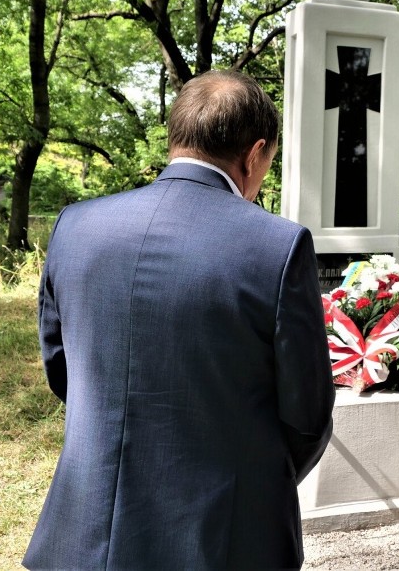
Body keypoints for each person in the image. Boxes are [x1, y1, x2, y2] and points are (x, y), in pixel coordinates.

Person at [23, 70, 335, 570]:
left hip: (86, 530)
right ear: (254, 155)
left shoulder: (76, 225)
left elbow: (62, 369)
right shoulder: (277, 246)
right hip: (220, 538)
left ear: (176, 138)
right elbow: (307, 415)